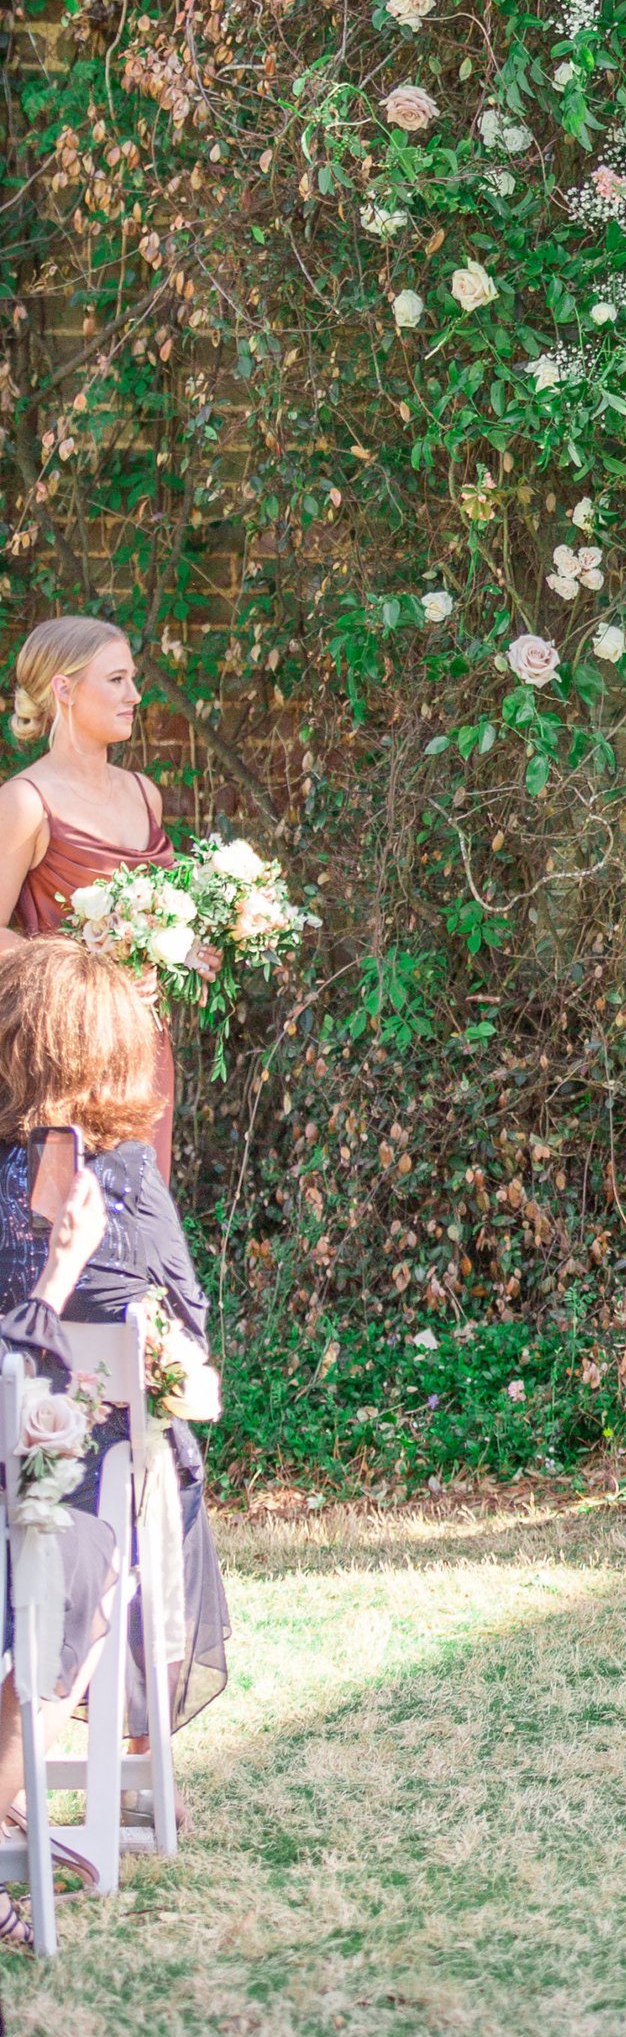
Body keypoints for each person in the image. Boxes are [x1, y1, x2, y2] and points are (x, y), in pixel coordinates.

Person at [0, 943, 230, 1946]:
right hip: (58, 1494)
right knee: (124, 1505)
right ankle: (106, 1755)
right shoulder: (123, 1184)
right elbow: (177, 1339)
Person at [0, 617, 179, 1176]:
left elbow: (160, 924)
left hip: (144, 1047)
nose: (135, 695)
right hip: (64, 1054)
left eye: (133, 679)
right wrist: (91, 973)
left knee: (142, 1226)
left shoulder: (144, 795)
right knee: (70, 1230)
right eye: (117, 679)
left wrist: (189, 954)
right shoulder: (26, 802)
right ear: (65, 690)